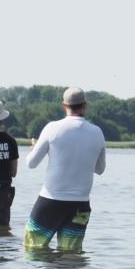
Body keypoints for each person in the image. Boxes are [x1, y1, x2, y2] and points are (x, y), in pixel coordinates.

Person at [24, 87, 106, 252]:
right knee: (71, 254)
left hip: (50, 201)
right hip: (80, 204)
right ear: (85, 105)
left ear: (64, 105)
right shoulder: (97, 132)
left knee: (33, 248)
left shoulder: (52, 128)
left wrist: (33, 149)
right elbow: (100, 169)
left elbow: (31, 164)